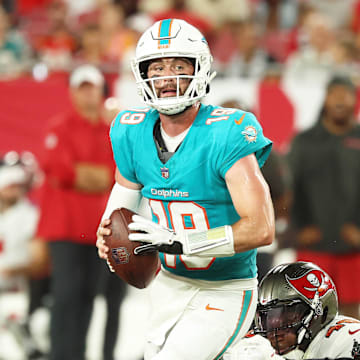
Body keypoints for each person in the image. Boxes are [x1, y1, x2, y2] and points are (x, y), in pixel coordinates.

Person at [96, 19, 275, 360]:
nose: (168, 77)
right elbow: (122, 197)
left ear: (201, 70)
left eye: (179, 66)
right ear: (143, 75)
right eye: (158, 67)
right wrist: (108, 233)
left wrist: (182, 242)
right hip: (166, 285)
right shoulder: (130, 130)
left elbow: (262, 227)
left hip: (225, 290)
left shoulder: (227, 131)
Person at [35, 64, 116, 360]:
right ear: (71, 92)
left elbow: (116, 174)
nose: (86, 94)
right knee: (66, 295)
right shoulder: (58, 126)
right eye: (81, 87)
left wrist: (85, 175)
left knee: (87, 298)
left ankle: (76, 355)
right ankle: (60, 354)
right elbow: (60, 170)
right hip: (64, 227)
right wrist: (95, 177)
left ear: (100, 91)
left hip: (96, 229)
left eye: (91, 87)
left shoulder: (110, 132)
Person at [287, 75, 360, 319]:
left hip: (354, 245)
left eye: (346, 94)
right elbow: (291, 190)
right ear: (325, 99)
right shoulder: (304, 141)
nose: (340, 99)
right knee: (309, 313)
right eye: (334, 94)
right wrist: (299, 230)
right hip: (312, 243)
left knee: (352, 315)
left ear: (354, 99)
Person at [224, 261, 360, 360]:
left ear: (320, 311)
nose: (274, 332)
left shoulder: (346, 337)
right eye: (268, 318)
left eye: (289, 316)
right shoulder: (253, 344)